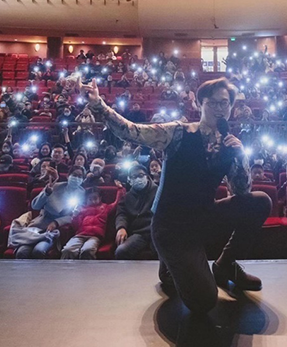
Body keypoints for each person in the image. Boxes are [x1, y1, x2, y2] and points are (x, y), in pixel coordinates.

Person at [80, 77, 271, 314]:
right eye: (213, 103)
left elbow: (242, 192)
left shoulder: (229, 145)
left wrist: (241, 156)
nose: (219, 109)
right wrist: (98, 104)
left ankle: (225, 266)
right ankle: (170, 266)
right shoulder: (179, 132)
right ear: (200, 104)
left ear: (231, 107)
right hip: (172, 227)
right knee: (205, 302)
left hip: (203, 217)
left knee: (260, 202)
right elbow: (132, 132)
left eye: (224, 103)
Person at [60, 183, 125, 259]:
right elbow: (76, 226)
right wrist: (75, 216)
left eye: (95, 198)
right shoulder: (81, 209)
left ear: (100, 198)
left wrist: (120, 189)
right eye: (90, 199)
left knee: (87, 250)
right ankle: (66, 266)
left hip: (95, 236)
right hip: (80, 235)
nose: (93, 201)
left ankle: (87, 267)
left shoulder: (105, 207)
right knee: (68, 250)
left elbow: (117, 203)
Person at [114, 165, 158, 260]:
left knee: (166, 252)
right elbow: (121, 214)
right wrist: (121, 228)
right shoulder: (127, 197)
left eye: (141, 175)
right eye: (134, 177)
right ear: (129, 180)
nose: (138, 179)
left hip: (156, 231)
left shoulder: (158, 192)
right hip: (139, 233)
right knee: (121, 251)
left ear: (147, 176)